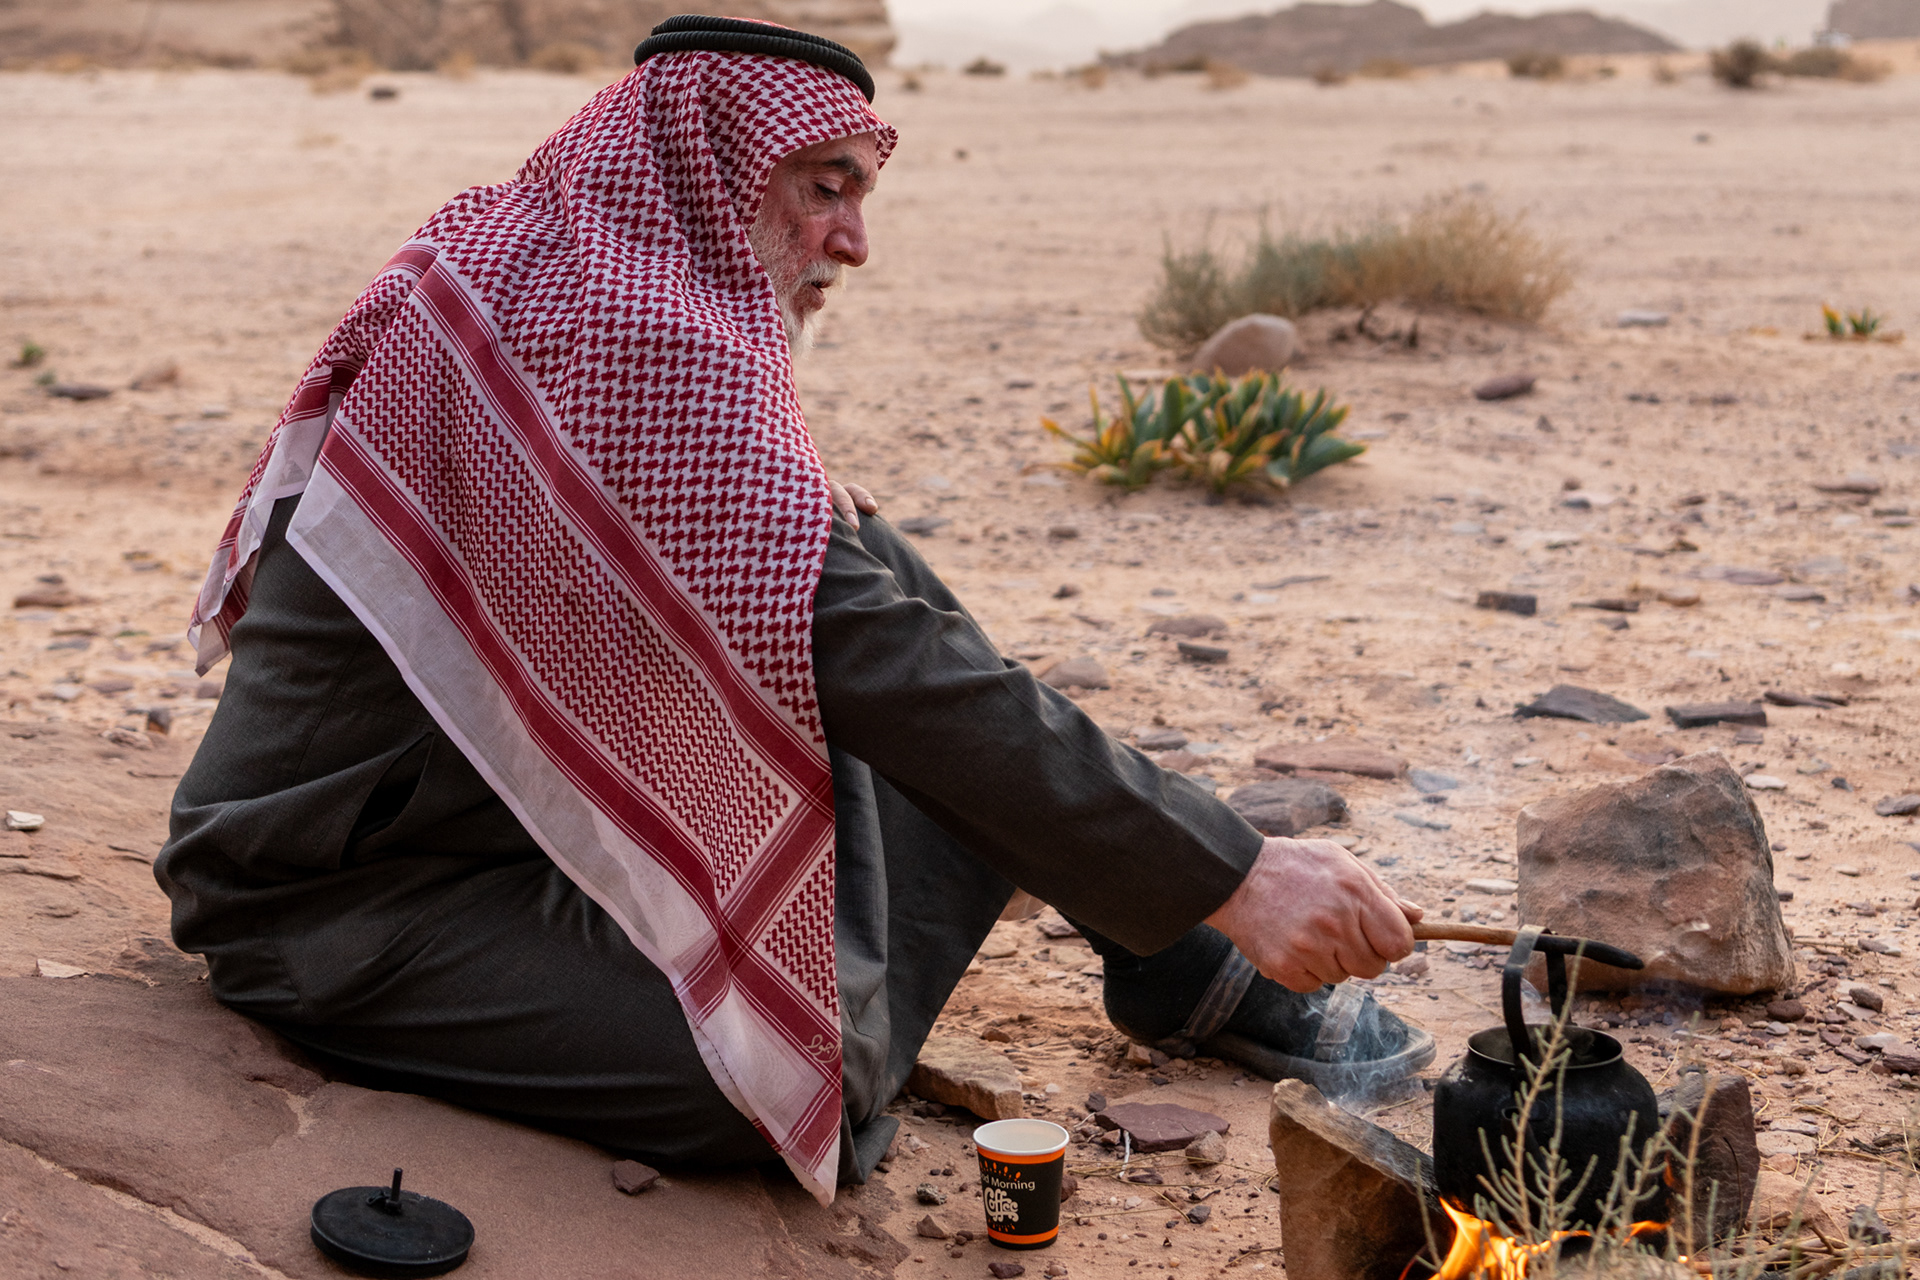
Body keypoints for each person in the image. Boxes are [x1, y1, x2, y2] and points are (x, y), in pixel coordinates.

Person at [155, 16, 1431, 1206]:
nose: (855, 242)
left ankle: (1167, 951)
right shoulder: (621, 328)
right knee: (790, 1083)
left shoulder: (552, 259)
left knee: (847, 551)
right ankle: (1168, 931)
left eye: (859, 195)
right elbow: (873, 659)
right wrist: (1237, 868)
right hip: (342, 895)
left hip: (496, 826)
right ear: (713, 168)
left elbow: (831, 613)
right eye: (823, 187)